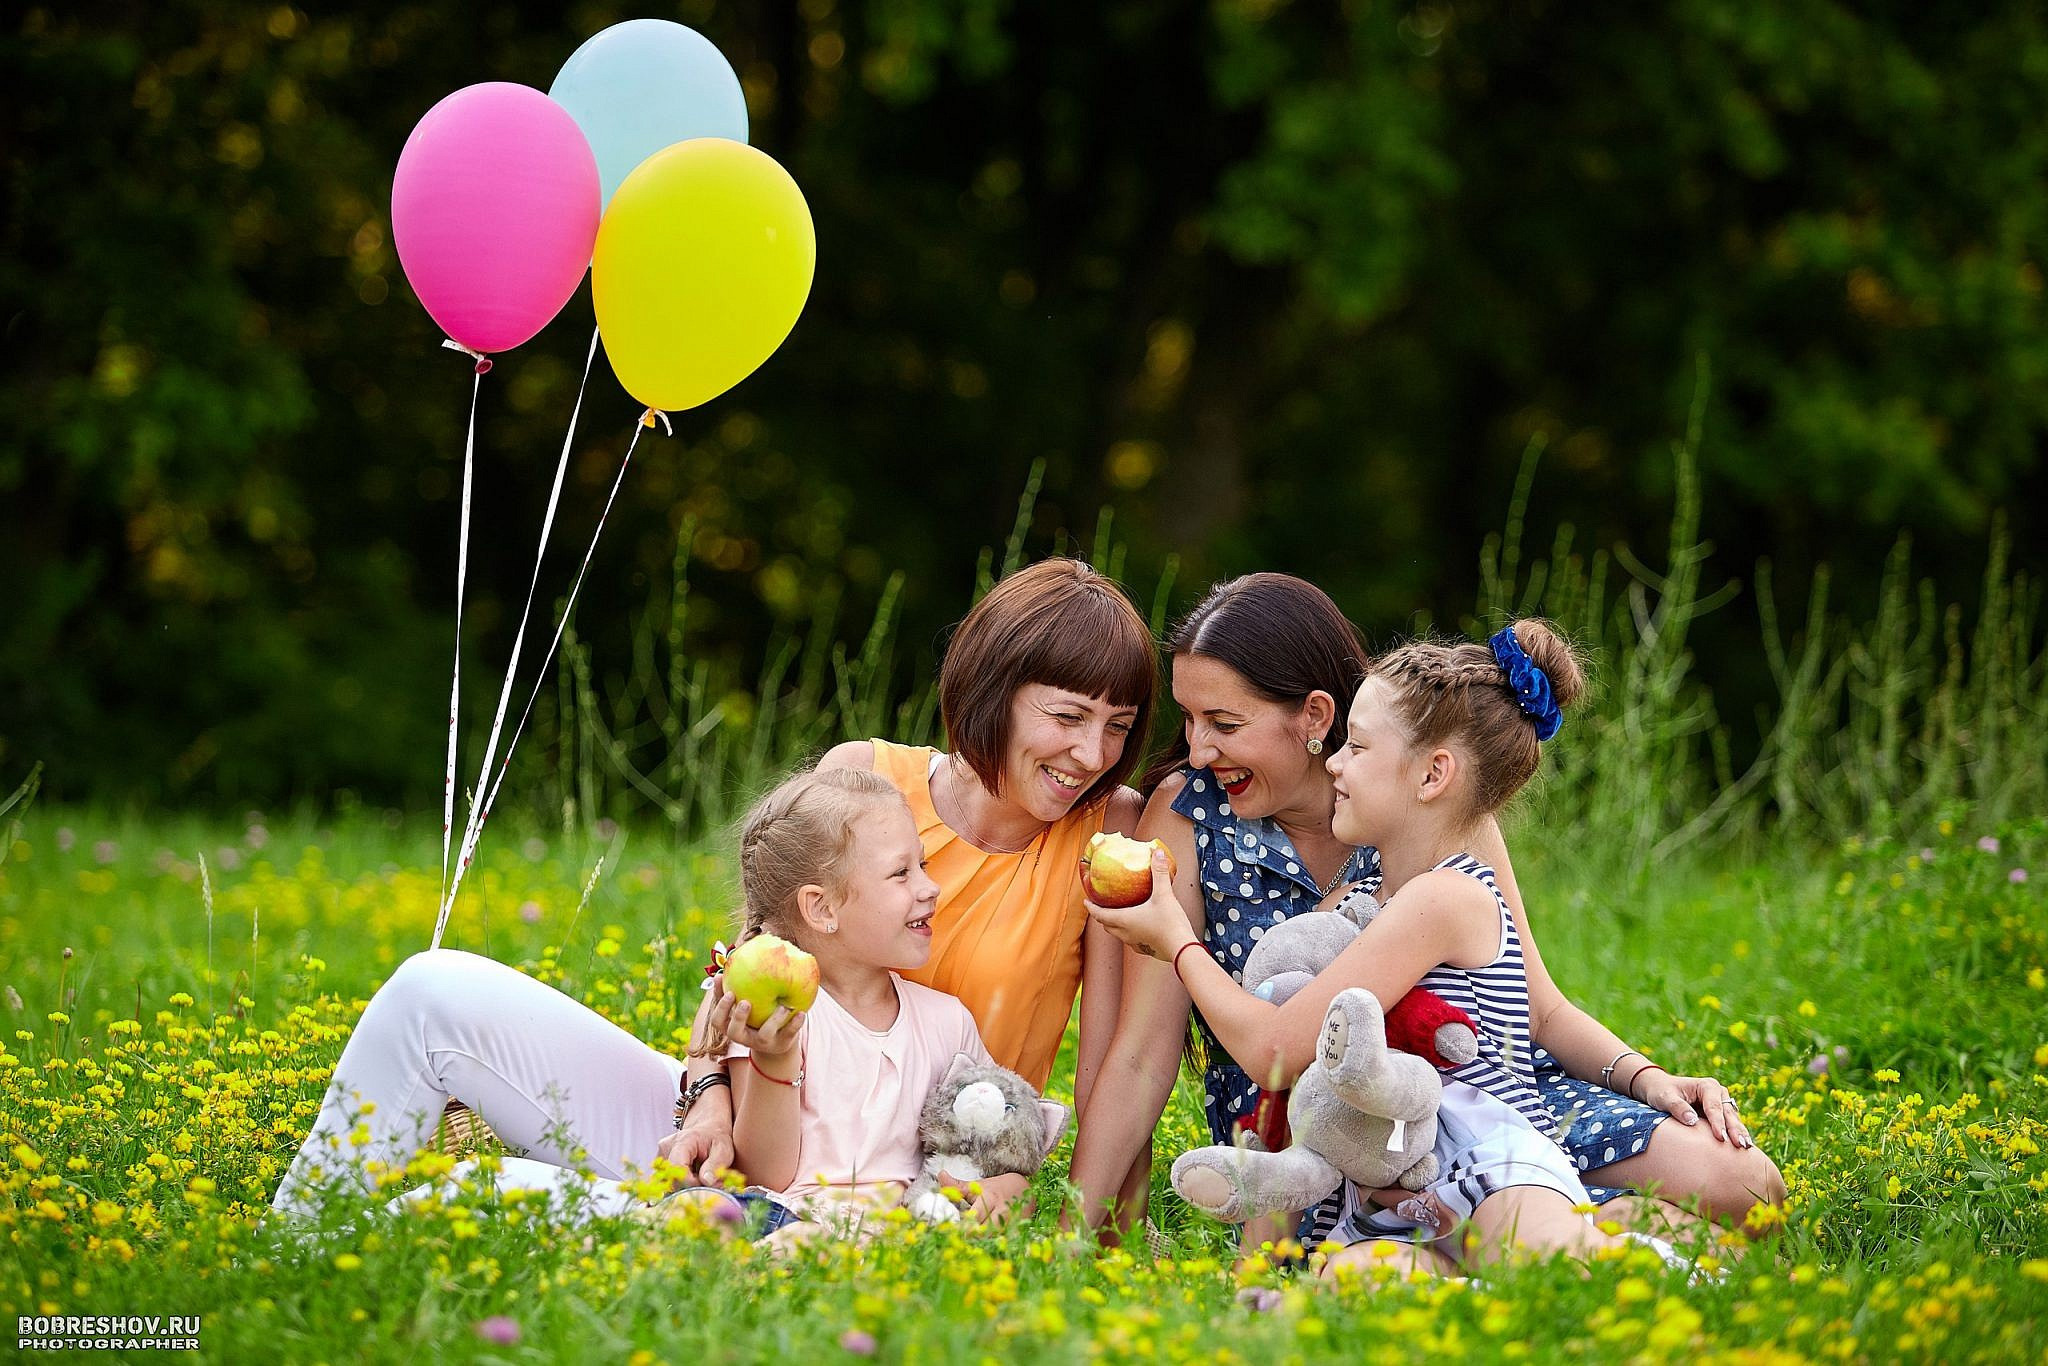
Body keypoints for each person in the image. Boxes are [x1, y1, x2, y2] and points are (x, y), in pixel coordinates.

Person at [1068, 576, 1782, 1254]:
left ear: (1316, 717)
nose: (1196, 749)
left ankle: (1544, 1231)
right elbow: (1141, 1054)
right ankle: (1541, 1239)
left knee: (1748, 1187)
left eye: (1223, 722)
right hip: (1325, 1126)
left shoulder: (1434, 805)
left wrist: (1644, 1075)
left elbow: (1539, 1009)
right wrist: (1076, 1237)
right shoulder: (1190, 817)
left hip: (1492, 1100)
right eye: (1189, 719)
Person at [275, 767, 1009, 1241]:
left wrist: (993, 1193)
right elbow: (767, 1170)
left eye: (923, 866)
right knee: (464, 1162)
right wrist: (770, 1059)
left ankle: (322, 1247)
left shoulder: (943, 1023)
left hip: (785, 1231)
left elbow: (1000, 1142)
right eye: (903, 872)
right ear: (818, 909)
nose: (930, 887)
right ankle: (298, 1241)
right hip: (753, 1208)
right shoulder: (767, 1009)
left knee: (707, 1223)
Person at [669, 557, 1159, 1221]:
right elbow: (752, 969)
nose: (1094, 754)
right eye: (1069, 716)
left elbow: (1109, 1063)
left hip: (922, 1186)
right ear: (995, 688)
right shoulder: (867, 779)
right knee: (480, 1009)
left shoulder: (1109, 830)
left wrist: (1090, 1235)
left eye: (1118, 725)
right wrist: (708, 1106)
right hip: (766, 1129)